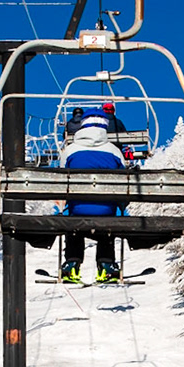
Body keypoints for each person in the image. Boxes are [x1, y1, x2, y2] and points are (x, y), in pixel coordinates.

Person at [58, 111, 128, 284]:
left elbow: (59, 181)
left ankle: (72, 264)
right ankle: (106, 266)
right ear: (104, 127)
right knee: (106, 224)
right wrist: (121, 204)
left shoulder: (70, 150)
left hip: (78, 210)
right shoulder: (114, 151)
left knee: (74, 224)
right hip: (106, 211)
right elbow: (125, 182)